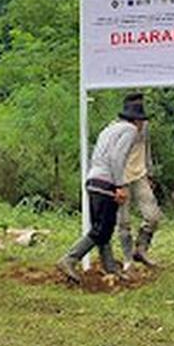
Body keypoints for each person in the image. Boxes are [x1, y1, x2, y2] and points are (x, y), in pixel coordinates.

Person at [57, 98, 149, 282]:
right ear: (137, 120)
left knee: (102, 228)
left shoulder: (109, 128)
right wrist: (120, 185)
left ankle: (111, 269)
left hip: (93, 180)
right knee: (102, 229)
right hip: (107, 182)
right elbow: (117, 158)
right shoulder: (130, 131)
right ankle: (70, 258)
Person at [116, 93, 163, 269]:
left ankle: (141, 249)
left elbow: (146, 149)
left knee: (153, 216)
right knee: (123, 221)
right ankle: (128, 259)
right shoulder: (116, 129)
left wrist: (149, 173)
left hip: (140, 174)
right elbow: (112, 157)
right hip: (120, 177)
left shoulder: (145, 127)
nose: (140, 121)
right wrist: (115, 183)